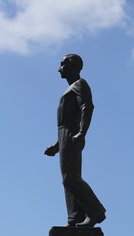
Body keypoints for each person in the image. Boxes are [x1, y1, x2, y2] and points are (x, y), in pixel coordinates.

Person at [44, 54, 106, 227]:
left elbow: (87, 107)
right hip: (64, 135)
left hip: (71, 134)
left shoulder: (80, 84)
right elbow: (66, 121)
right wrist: (57, 145)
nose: (59, 69)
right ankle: (75, 217)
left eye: (63, 65)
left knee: (71, 177)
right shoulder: (70, 88)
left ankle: (95, 211)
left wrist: (81, 133)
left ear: (73, 67)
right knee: (66, 179)